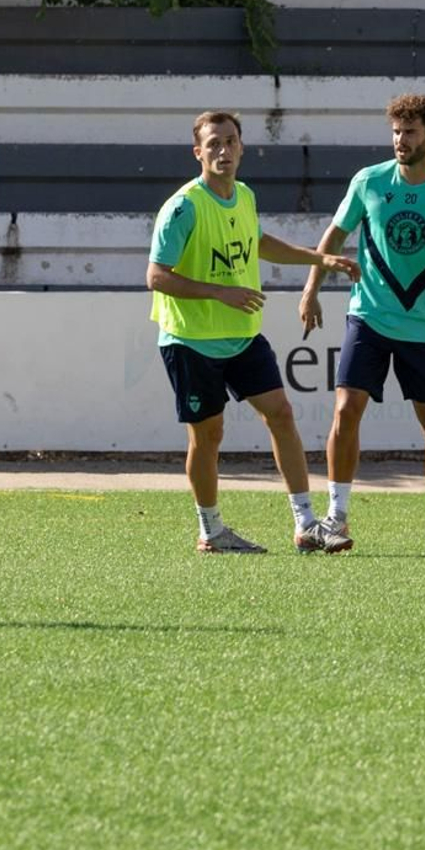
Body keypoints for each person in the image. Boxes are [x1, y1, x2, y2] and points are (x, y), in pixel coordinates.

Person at [298, 93, 425, 551]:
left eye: (410, 132)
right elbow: (334, 236)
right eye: (395, 131)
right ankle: (336, 517)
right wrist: (311, 288)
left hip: (424, 328)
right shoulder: (369, 182)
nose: (400, 140)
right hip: (368, 316)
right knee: (345, 410)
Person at [148, 110, 360, 554]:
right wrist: (218, 293)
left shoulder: (243, 195)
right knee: (207, 436)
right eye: (213, 144)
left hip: (243, 336)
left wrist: (319, 259)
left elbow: (260, 243)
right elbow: (156, 276)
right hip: (191, 341)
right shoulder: (184, 207)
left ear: (242, 147)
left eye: (230, 141)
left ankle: (306, 524)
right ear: (198, 152)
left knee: (281, 414)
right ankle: (211, 531)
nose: (223, 150)